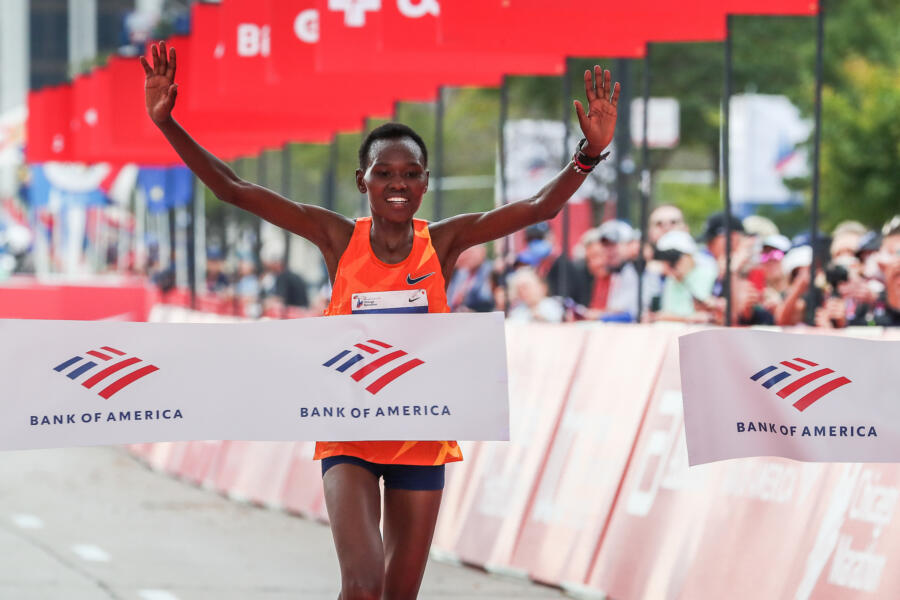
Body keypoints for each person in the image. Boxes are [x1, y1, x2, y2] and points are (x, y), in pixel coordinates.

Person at [142, 41, 619, 599]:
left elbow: (540, 208)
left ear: (424, 183)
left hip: (420, 434)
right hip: (350, 436)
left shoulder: (443, 241)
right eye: (384, 172)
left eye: (411, 173)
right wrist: (167, 124)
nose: (398, 183)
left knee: (398, 595)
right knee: (363, 586)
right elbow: (234, 188)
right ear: (362, 180)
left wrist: (587, 156)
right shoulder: (336, 238)